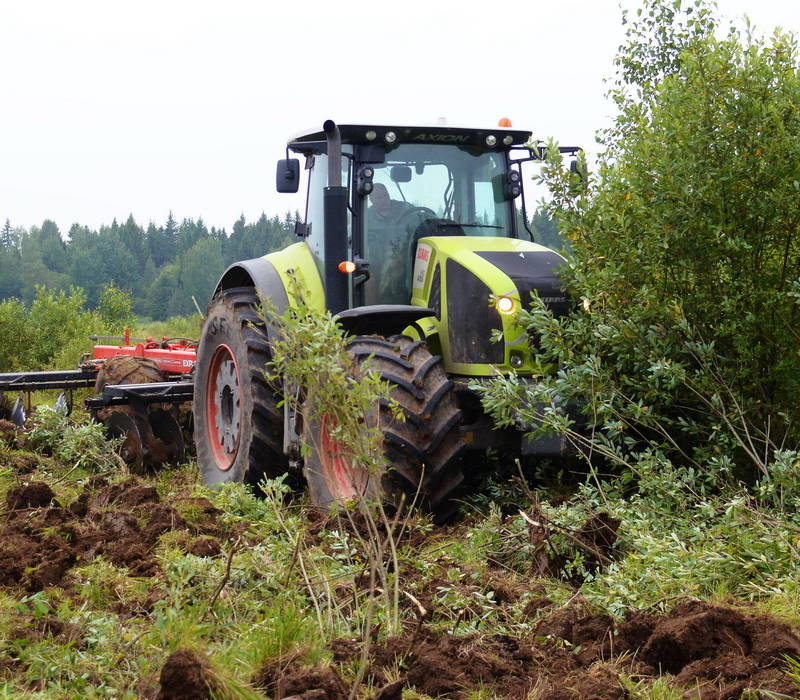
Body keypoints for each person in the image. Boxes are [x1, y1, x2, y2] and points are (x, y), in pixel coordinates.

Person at [365, 183, 420, 303]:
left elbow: (419, 221)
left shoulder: (405, 209)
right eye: (379, 198)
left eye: (385, 195)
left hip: (404, 254)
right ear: (371, 200)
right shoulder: (366, 217)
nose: (384, 200)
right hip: (376, 259)